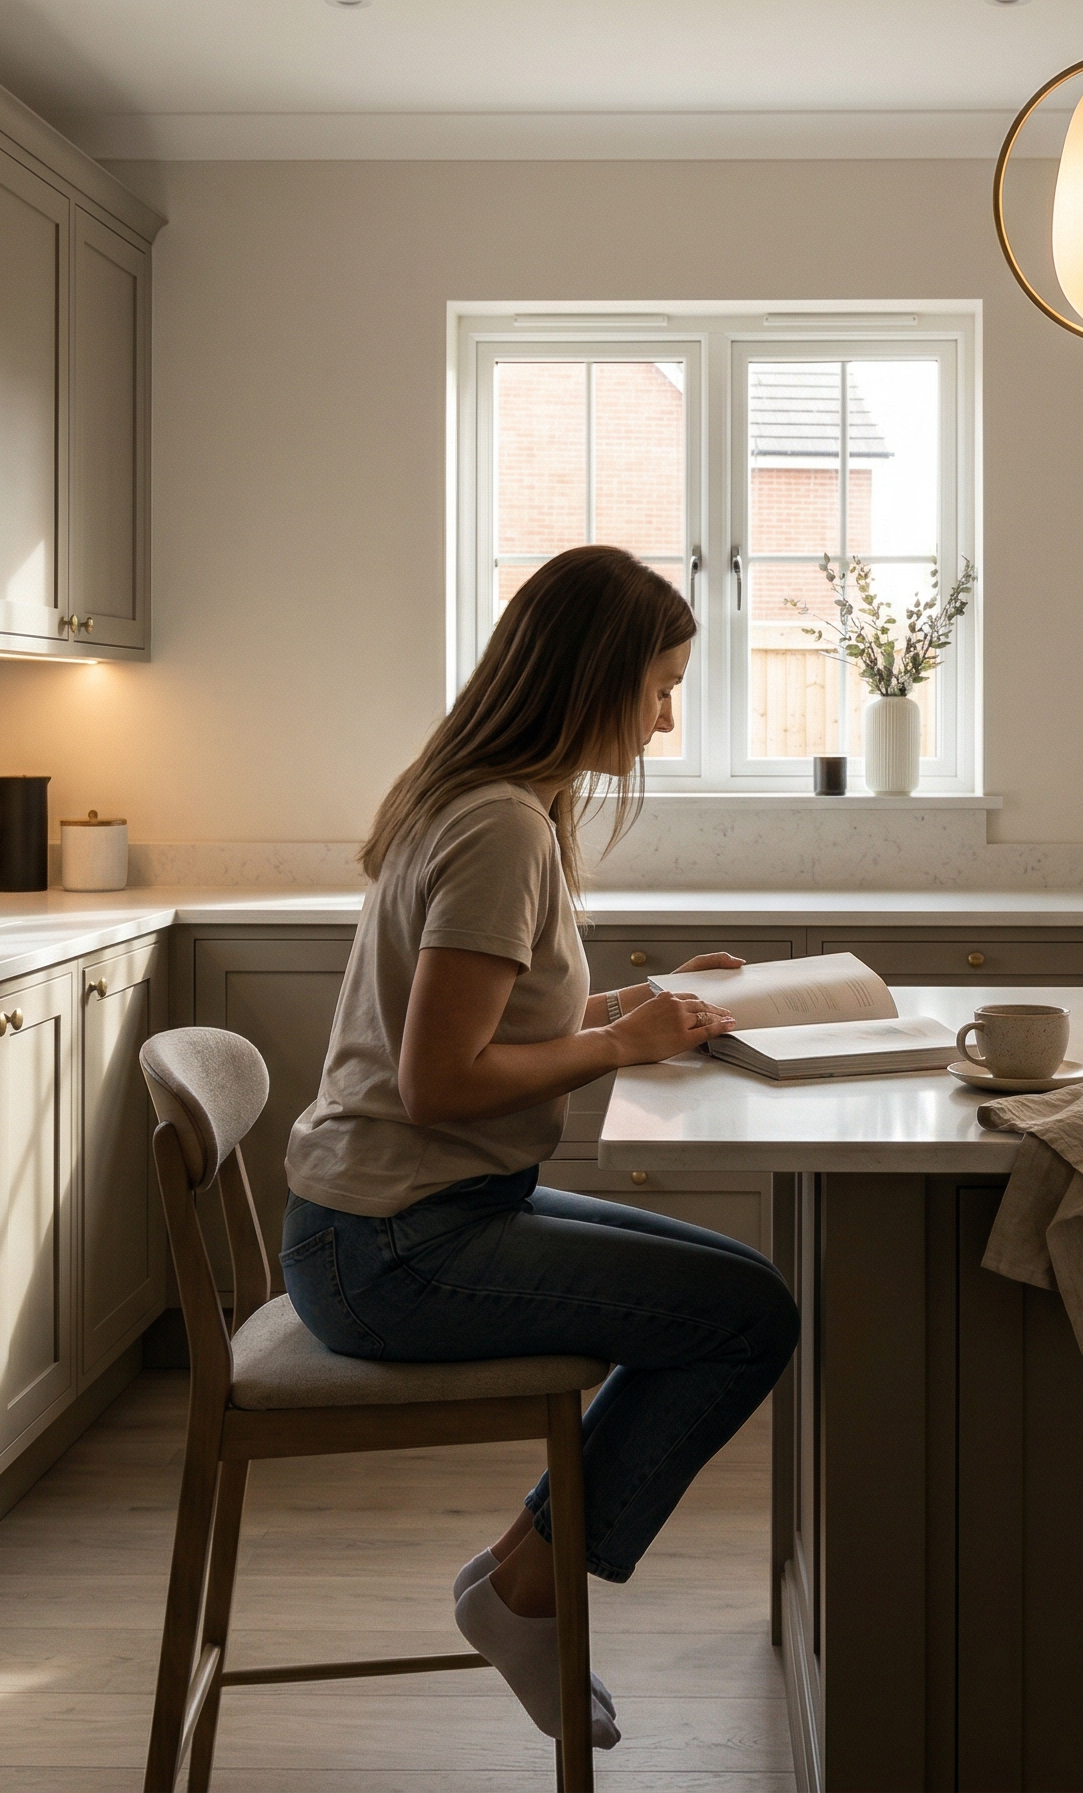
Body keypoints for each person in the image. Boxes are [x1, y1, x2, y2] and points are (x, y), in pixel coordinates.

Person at [281, 544, 799, 1750]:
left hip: (402, 1220)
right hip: (393, 1250)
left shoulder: (479, 803)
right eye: (659, 686)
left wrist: (632, 1007)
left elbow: (491, 1022)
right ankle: (525, 1595)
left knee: (741, 1296)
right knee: (746, 1316)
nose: (668, 718)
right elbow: (439, 1078)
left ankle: (518, 1579)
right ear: (589, 678)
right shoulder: (501, 828)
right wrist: (623, 1047)